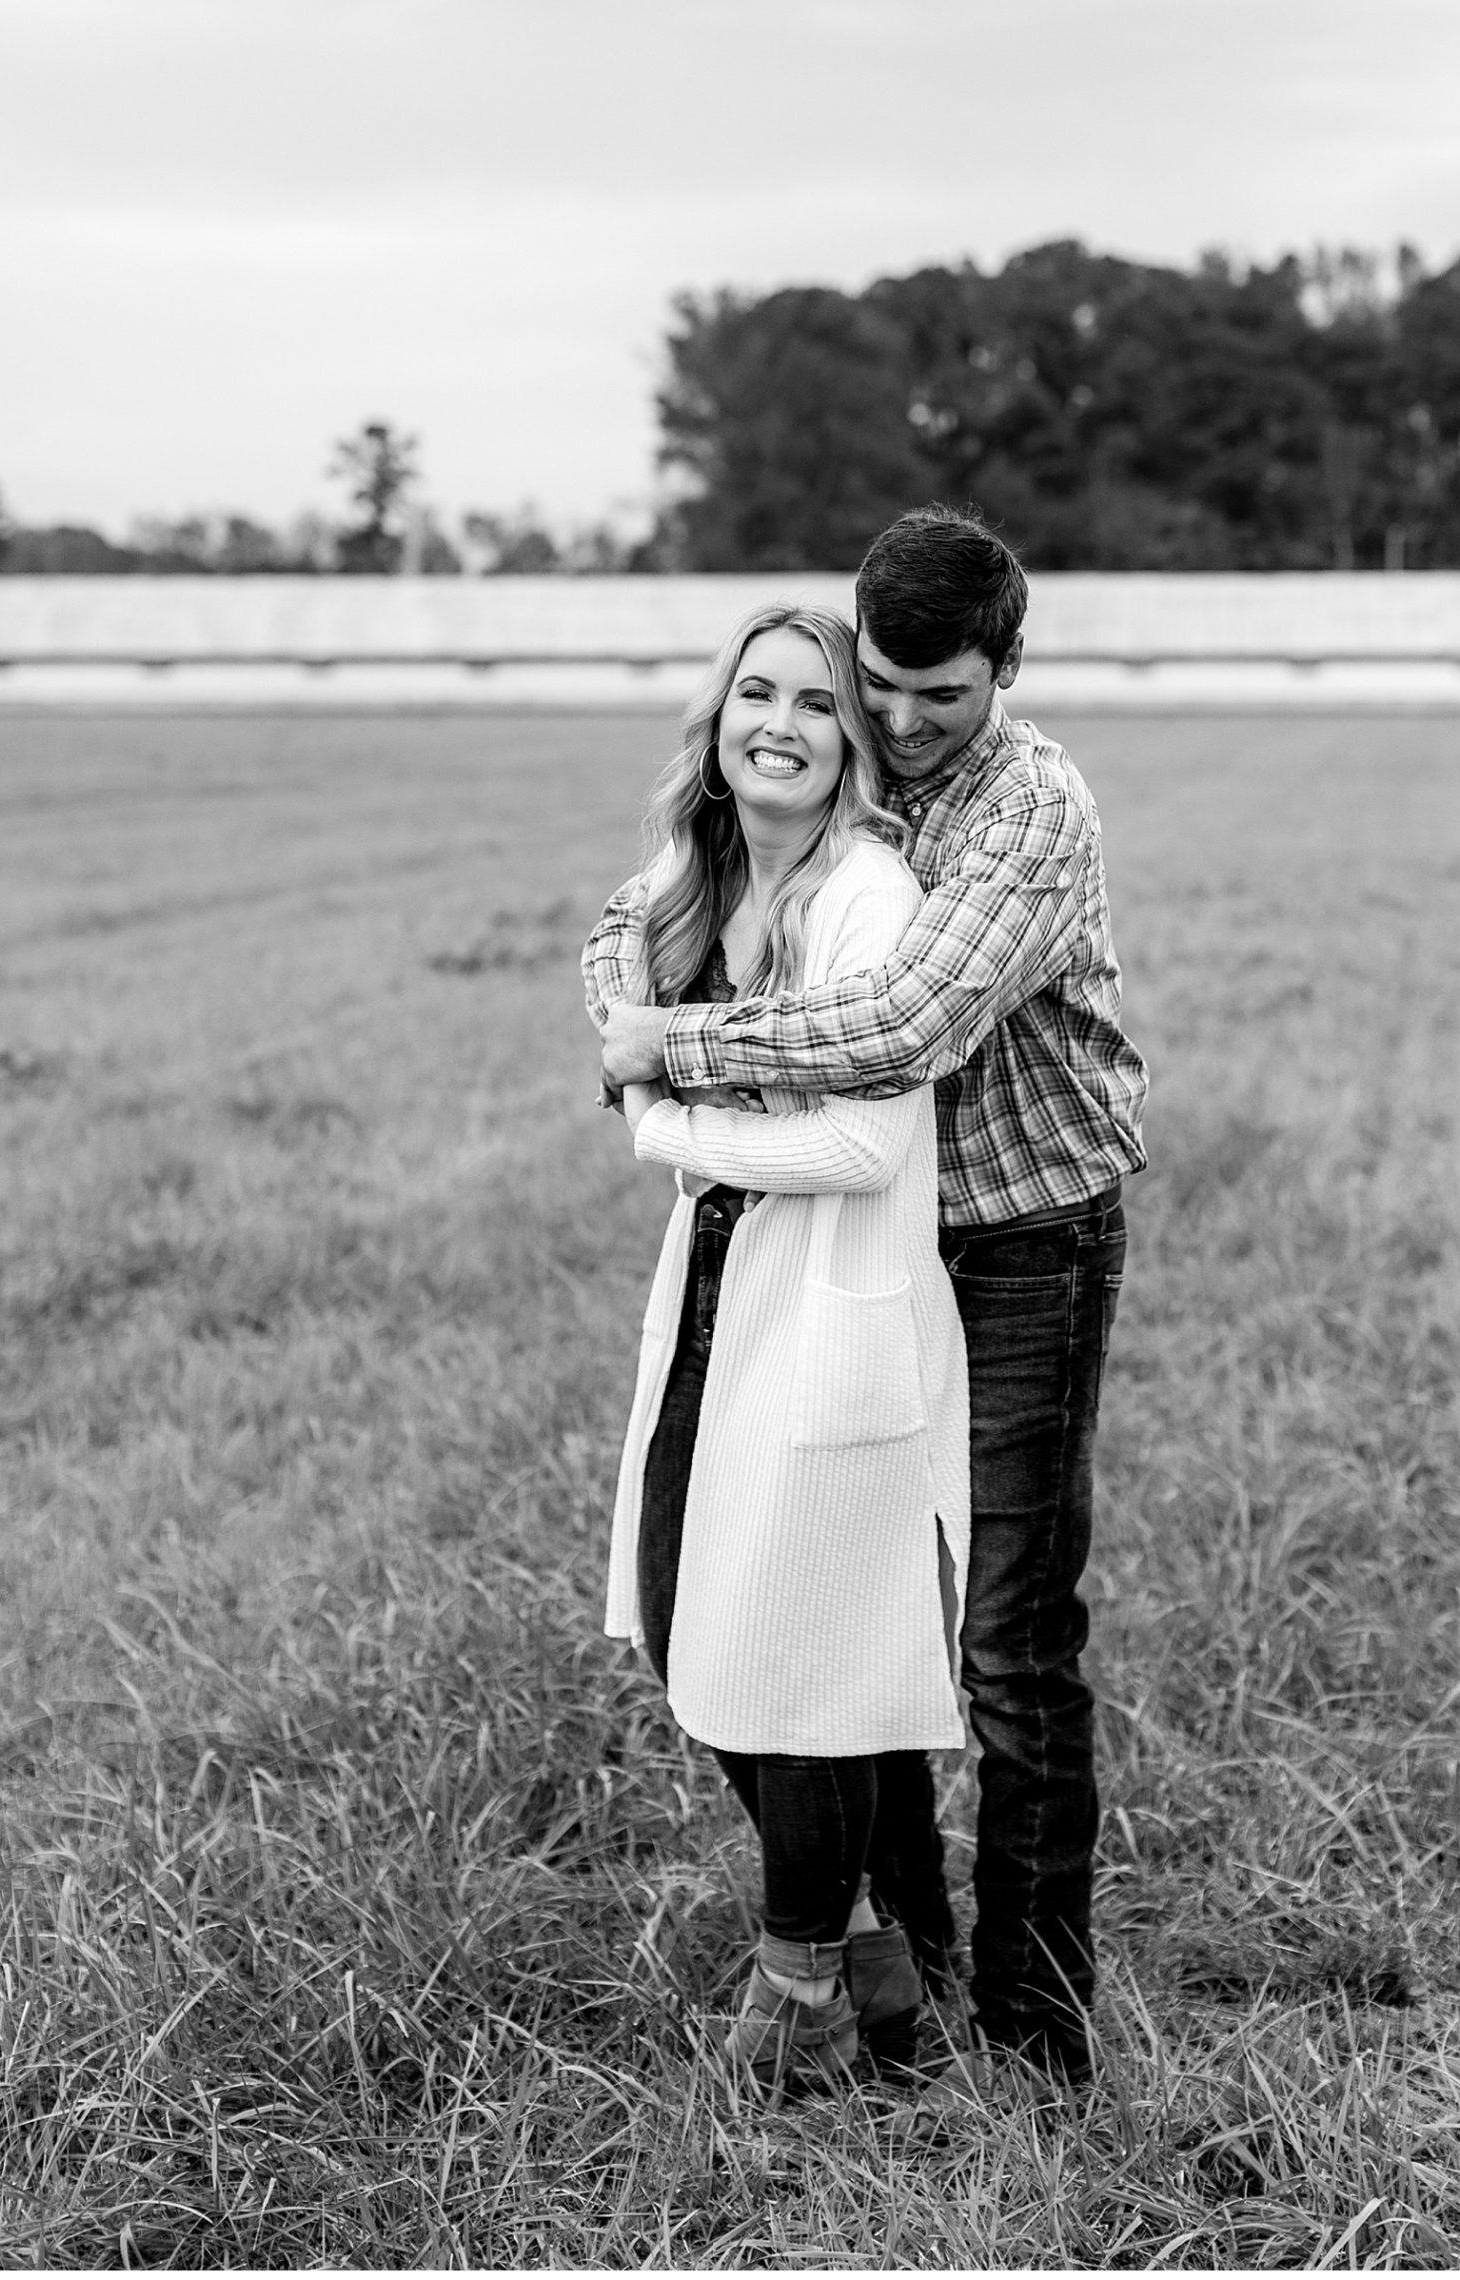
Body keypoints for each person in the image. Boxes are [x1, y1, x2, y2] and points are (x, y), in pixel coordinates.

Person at [595, 505, 1148, 2094]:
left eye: (941, 698)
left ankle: (1038, 2036)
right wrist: (617, 998)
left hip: (1026, 1233)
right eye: (880, 689)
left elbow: (903, 1024)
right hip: (872, 1247)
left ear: (1006, 671)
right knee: (856, 1603)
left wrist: (667, 1061)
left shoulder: (1027, 803)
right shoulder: (844, 767)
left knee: (1009, 1643)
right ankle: (907, 1953)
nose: (900, 727)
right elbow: (642, 909)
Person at [583, 602, 970, 2095]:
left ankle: (799, 1978)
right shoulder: (693, 883)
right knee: (694, 1631)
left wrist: (663, 1120)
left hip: (828, 1305)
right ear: (719, 712)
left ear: (854, 742)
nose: (783, 725)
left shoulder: (866, 893)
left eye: (819, 704)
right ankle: (882, 1952)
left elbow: (868, 1147)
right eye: (759, 692)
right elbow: (607, 968)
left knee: (792, 1667)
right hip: (713, 1296)